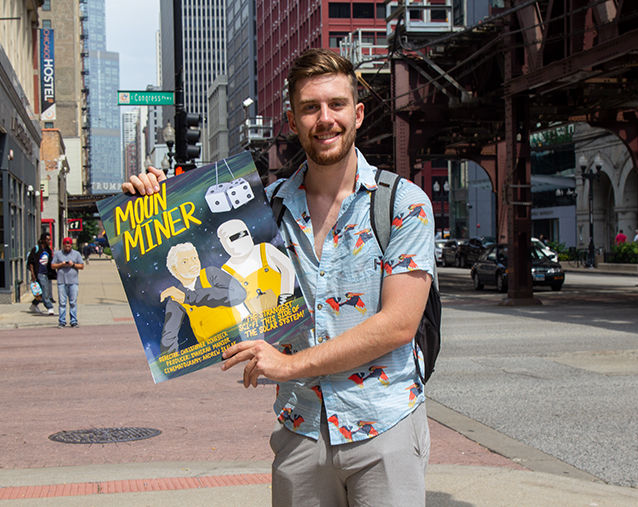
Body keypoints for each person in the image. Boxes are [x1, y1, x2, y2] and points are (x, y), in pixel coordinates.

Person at [123, 48, 434, 505]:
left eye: (336, 105)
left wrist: (288, 365)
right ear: (292, 121)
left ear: (359, 113)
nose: (325, 119)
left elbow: (398, 324)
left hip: (384, 427)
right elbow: (191, 256)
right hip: (300, 429)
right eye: (310, 108)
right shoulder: (263, 210)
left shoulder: (403, 204)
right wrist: (150, 201)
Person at [160, 242, 247, 352]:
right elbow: (169, 334)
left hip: (238, 336)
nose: (193, 263)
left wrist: (189, 297)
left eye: (195, 258)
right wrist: (170, 361)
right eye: (185, 261)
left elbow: (239, 294)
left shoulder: (210, 274)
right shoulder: (175, 298)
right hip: (212, 350)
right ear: (175, 269)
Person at [217, 218, 296, 313]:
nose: (241, 240)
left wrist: (286, 295)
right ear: (224, 242)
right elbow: (233, 300)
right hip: (259, 320)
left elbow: (288, 267)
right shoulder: (226, 270)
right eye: (235, 237)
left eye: (243, 234)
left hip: (287, 310)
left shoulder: (265, 249)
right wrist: (246, 317)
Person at [51, 237, 84, 328]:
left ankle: (73, 321)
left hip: (73, 282)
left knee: (73, 302)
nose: (67, 248)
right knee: (62, 302)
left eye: (69, 246)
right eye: (66, 246)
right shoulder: (58, 254)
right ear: (63, 245)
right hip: (61, 281)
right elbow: (53, 266)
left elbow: (81, 266)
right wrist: (61, 264)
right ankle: (62, 321)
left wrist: (72, 264)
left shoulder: (76, 254)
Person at [28, 234, 55, 315]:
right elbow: (31, 262)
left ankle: (33, 305)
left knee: (39, 292)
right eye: (47, 240)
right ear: (43, 240)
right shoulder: (36, 249)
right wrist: (32, 274)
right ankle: (49, 307)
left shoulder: (48, 250)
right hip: (39, 273)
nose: (49, 241)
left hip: (46, 273)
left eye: (50, 239)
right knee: (45, 290)